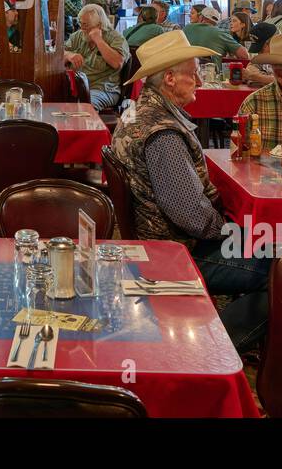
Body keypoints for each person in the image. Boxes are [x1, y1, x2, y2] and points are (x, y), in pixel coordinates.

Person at [111, 30, 269, 351]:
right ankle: (214, 346)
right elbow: (191, 217)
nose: (199, 80)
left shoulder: (137, 110)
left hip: (151, 240)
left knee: (273, 246)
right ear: (169, 78)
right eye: (193, 72)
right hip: (174, 251)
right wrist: (235, 231)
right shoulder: (164, 132)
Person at [64, 3, 129, 110]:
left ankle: (88, 126)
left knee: (86, 107)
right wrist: (69, 55)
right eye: (80, 24)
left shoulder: (116, 38)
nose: (82, 28)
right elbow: (58, 55)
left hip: (103, 89)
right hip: (76, 86)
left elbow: (117, 63)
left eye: (86, 25)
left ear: (99, 25)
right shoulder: (78, 35)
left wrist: (98, 40)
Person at [182, 5, 250, 62]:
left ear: (201, 17)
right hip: (211, 73)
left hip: (188, 72)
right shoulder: (221, 33)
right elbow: (244, 55)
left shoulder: (186, 29)